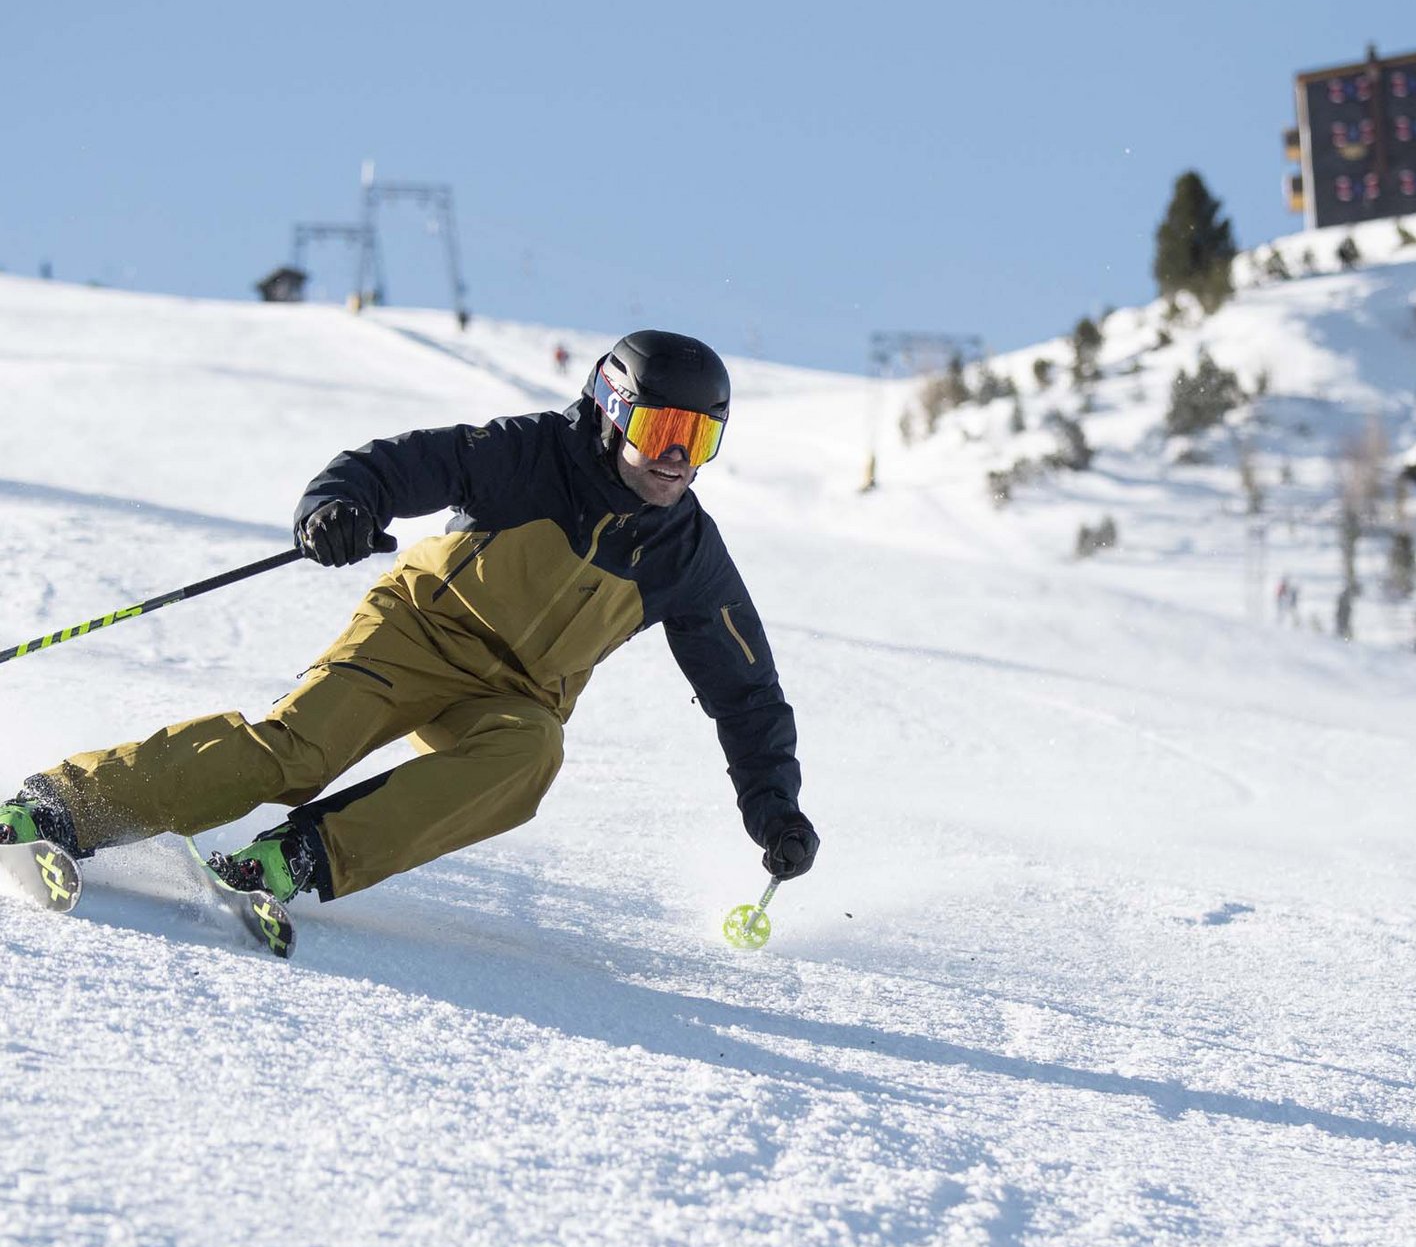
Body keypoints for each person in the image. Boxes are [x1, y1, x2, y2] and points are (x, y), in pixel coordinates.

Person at [0, 331, 819, 904]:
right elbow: (391, 465)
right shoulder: (532, 455)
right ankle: (63, 808)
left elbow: (746, 694)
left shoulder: (688, 554)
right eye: (662, 429)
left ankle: (293, 860)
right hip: (420, 633)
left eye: (699, 439)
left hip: (517, 696)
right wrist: (338, 507)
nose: (677, 459)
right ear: (611, 410)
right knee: (296, 755)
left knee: (531, 753)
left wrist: (774, 807)